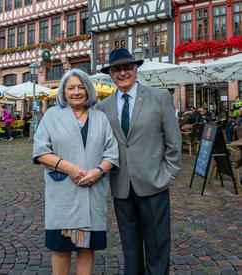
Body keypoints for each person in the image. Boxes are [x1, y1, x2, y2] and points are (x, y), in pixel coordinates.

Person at [97, 48, 182, 275]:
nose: (122, 73)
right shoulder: (103, 107)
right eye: (117, 70)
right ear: (111, 75)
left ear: (136, 71)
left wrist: (170, 173)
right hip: (121, 186)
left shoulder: (159, 97)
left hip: (154, 182)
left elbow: (173, 140)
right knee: (130, 246)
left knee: (157, 243)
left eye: (127, 68)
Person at [33, 69, 119, 275]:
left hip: (92, 193)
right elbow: (41, 152)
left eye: (81, 87)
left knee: (87, 248)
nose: (76, 92)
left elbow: (112, 153)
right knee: (62, 249)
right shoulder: (52, 116)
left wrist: (99, 172)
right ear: (63, 91)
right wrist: (69, 168)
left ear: (88, 90)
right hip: (64, 193)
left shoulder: (100, 117)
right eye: (71, 87)